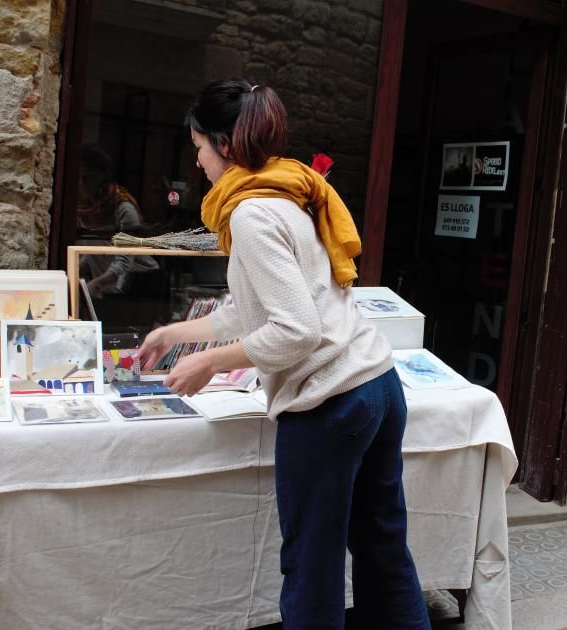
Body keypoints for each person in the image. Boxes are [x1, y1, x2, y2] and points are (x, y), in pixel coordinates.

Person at [135, 79, 430, 630]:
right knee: (383, 550)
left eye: (198, 147)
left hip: (332, 403)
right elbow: (261, 308)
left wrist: (209, 361)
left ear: (223, 144)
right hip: (378, 385)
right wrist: (178, 333)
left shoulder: (250, 214)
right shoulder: (286, 195)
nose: (196, 161)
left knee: (311, 566)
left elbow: (294, 331)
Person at [76, 144, 158, 297]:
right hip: (110, 288)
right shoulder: (85, 211)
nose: (81, 184)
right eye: (78, 178)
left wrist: (96, 283)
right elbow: (95, 252)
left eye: (88, 178)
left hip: (140, 288)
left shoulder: (124, 209)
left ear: (103, 180)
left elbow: (125, 260)